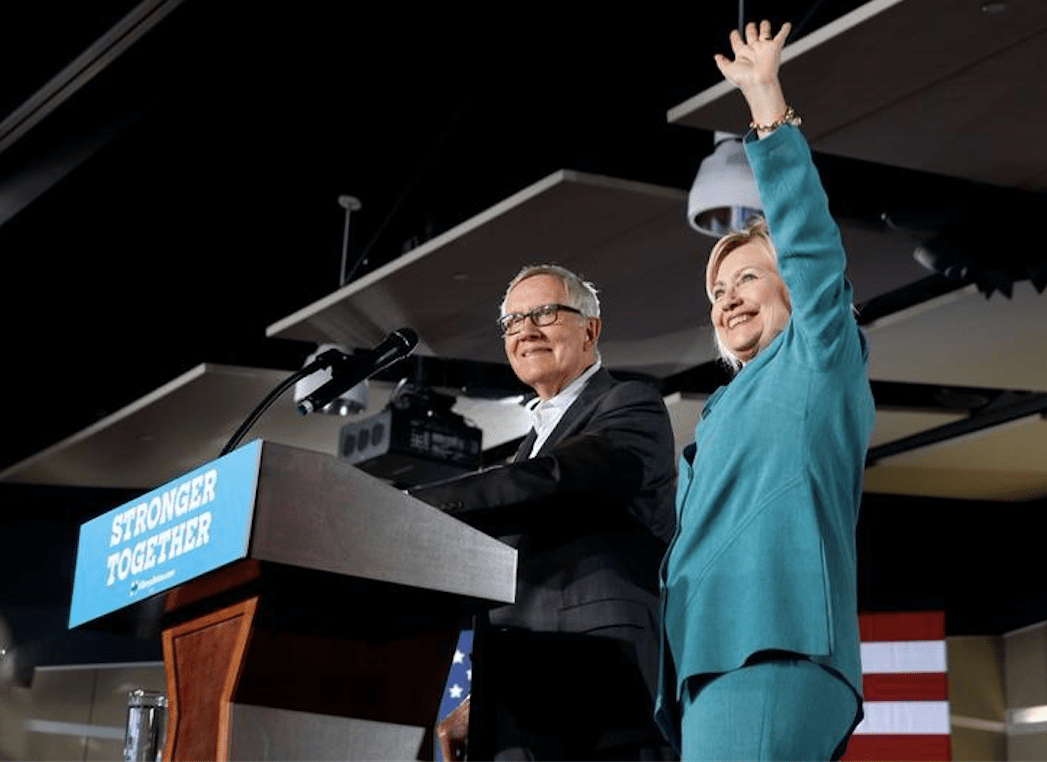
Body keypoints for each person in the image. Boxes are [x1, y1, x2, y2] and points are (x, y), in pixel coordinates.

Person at [655, 20, 876, 761]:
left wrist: (763, 100)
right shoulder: (721, 409)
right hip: (712, 661)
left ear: (794, 289)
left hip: (771, 648)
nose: (727, 298)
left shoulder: (816, 359)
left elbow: (809, 239)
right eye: (717, 289)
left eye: (747, 275)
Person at [410, 263, 677, 761]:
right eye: (513, 321)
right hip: (517, 706)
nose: (526, 330)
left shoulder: (630, 405)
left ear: (590, 329)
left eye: (545, 313)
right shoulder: (527, 449)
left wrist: (415, 507)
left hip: (601, 696)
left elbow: (562, 481)